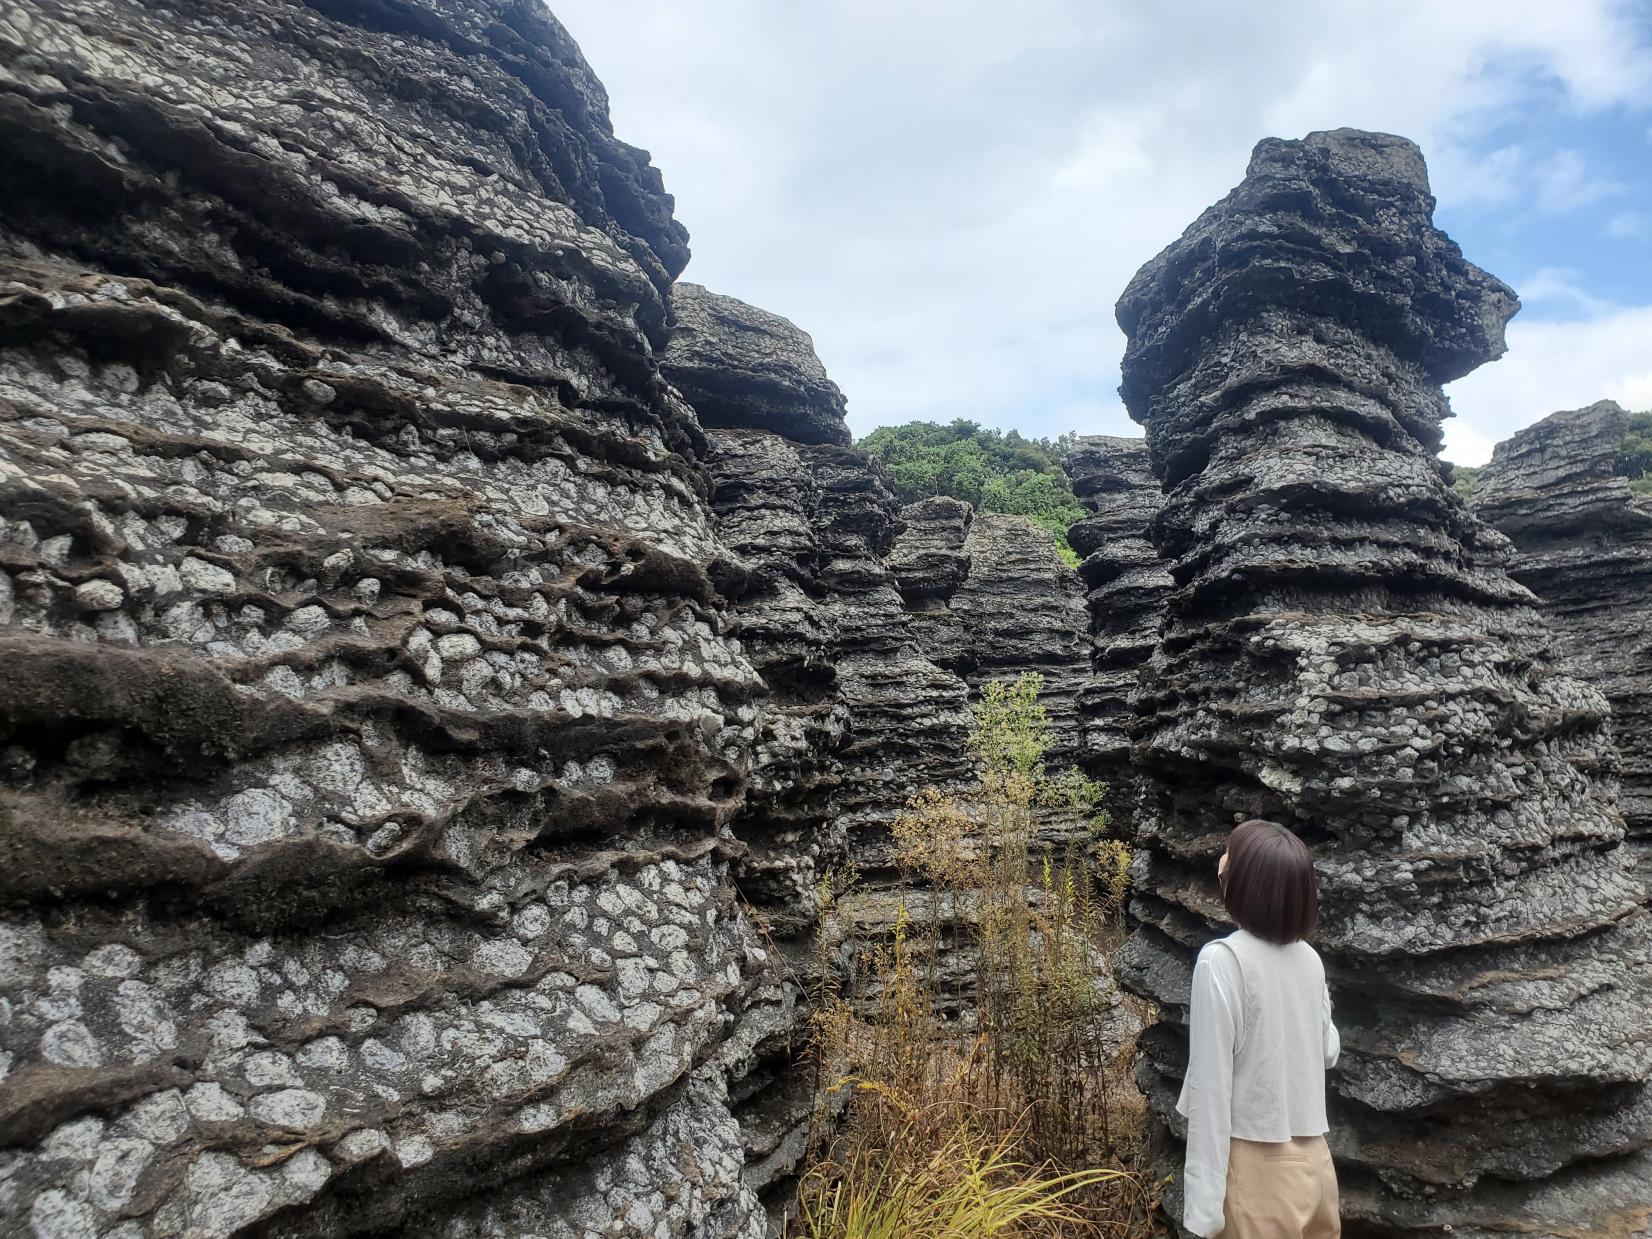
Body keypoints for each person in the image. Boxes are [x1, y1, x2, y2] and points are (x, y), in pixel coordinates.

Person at [1178, 818, 1341, 1238]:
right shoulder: (1310, 960)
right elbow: (1327, 1051)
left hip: (1257, 1171)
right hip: (1317, 1166)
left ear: (1245, 882)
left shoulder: (1223, 961)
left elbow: (1211, 1091)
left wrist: (1203, 1210)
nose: (1222, 861)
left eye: (1230, 855)